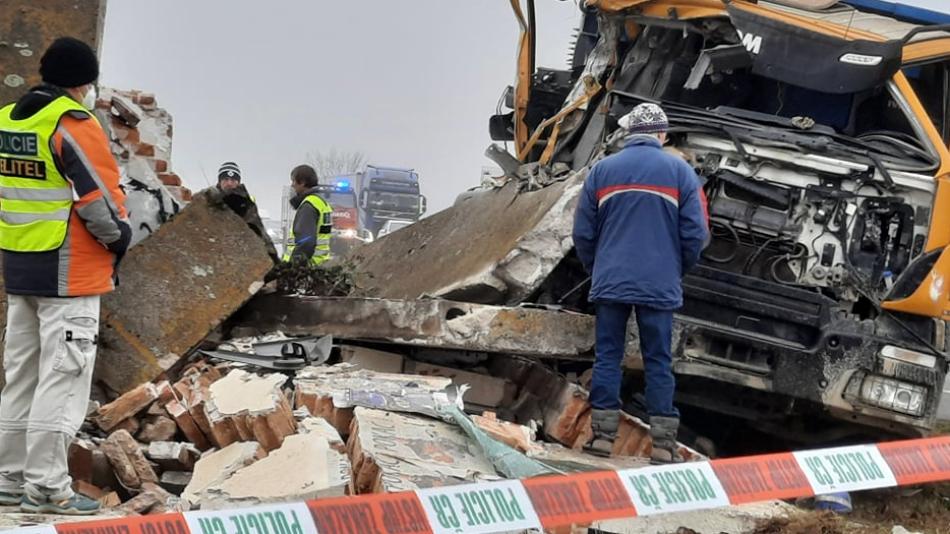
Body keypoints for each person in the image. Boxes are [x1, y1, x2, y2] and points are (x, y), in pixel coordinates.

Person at [0, 37, 131, 513]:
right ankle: (48, 487)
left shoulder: (6, 122)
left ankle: (9, 480)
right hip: (69, 272)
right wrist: (121, 241)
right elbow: (98, 203)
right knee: (63, 376)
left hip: (20, 268)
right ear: (83, 84)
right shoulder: (73, 123)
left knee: (22, 377)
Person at [572, 103, 708, 464]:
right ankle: (663, 446)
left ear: (630, 133)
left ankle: (602, 437)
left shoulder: (602, 171)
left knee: (608, 356)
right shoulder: (680, 172)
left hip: (611, 279)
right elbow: (696, 234)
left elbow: (583, 232)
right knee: (658, 360)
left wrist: (596, 267)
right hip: (659, 283)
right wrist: (675, 269)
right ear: (662, 136)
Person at [282, 164, 332, 265]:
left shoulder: (308, 206)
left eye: (294, 181)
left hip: (307, 267)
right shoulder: (321, 203)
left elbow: (306, 242)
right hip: (319, 264)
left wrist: (294, 267)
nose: (292, 185)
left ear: (302, 183)